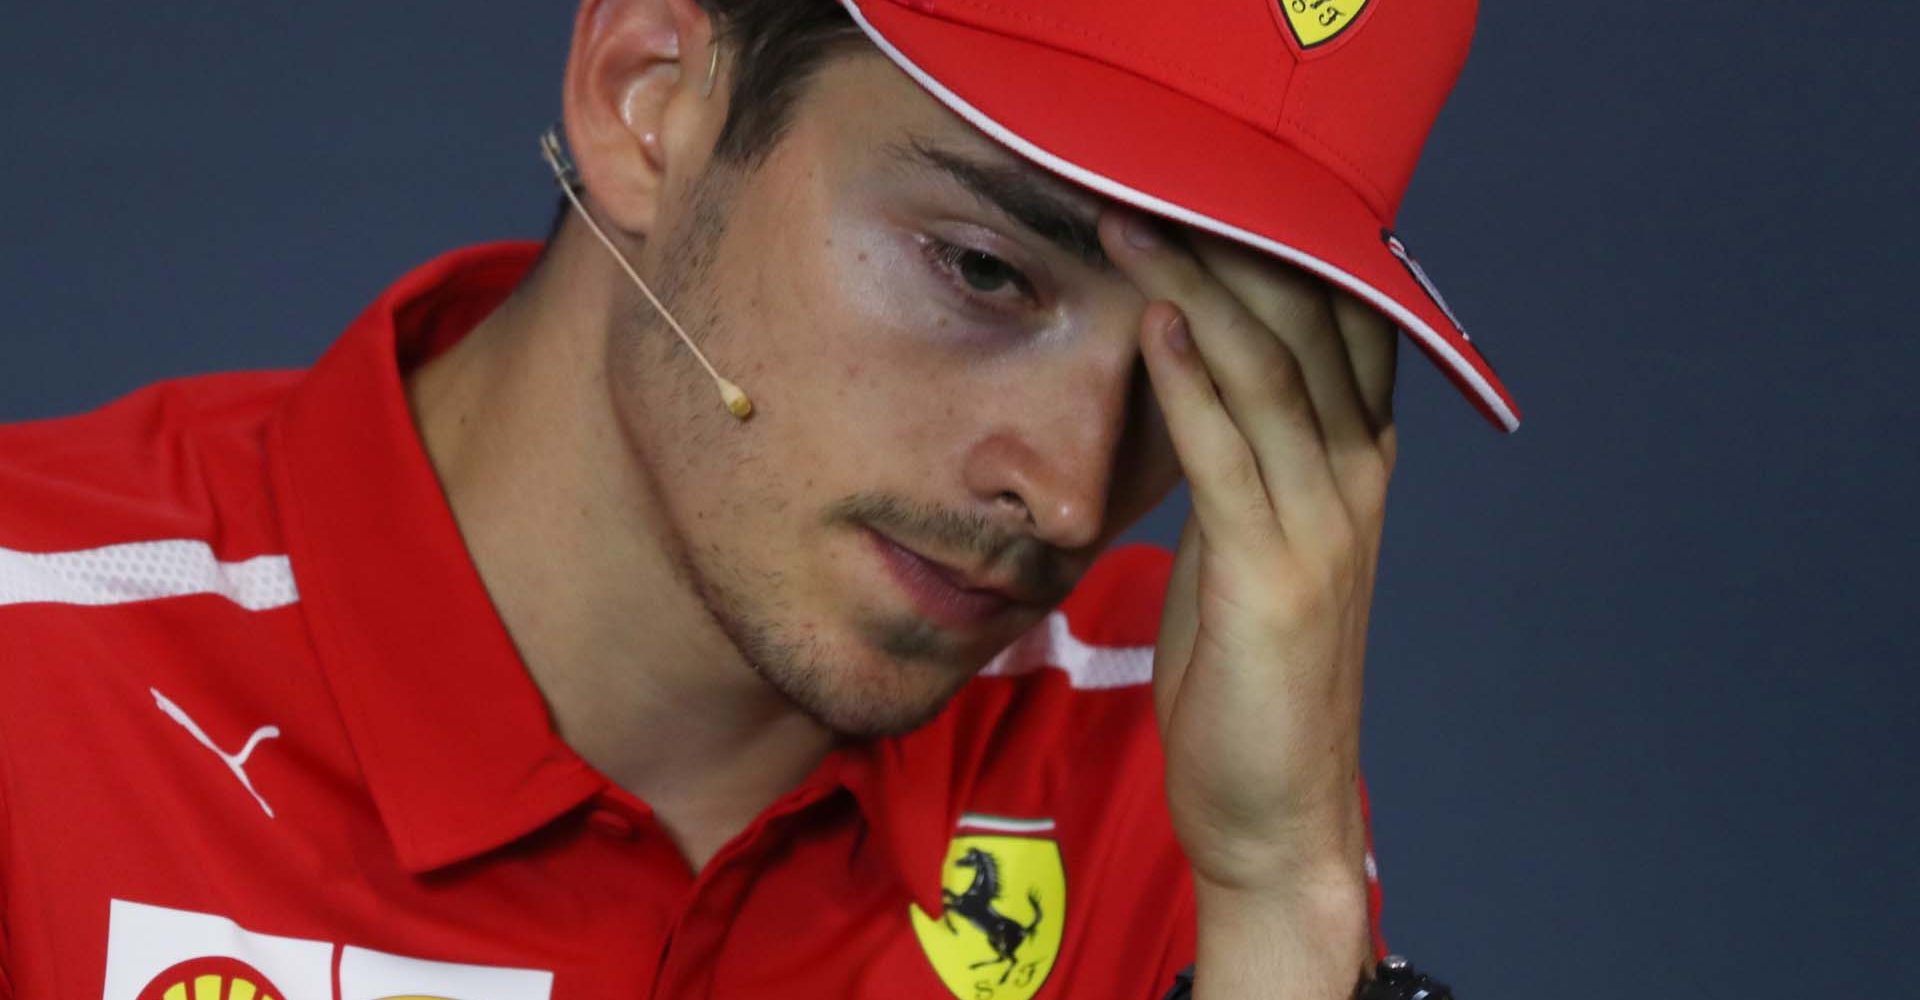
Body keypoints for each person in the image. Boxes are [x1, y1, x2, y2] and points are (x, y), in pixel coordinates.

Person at [0, 1, 1517, 997]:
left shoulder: (1180, 760)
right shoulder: (35, 667)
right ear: (652, 95)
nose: (1065, 491)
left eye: (1204, 369)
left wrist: (1282, 897)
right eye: (984, 270)